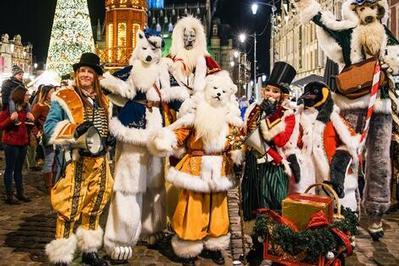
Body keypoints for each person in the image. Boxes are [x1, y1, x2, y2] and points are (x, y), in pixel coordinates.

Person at [44, 53, 114, 266]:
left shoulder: (104, 100)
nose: (85, 74)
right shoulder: (63, 96)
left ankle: (89, 250)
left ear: (95, 76)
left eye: (89, 71)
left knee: (95, 204)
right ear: (77, 74)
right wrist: (73, 130)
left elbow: (106, 127)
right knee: (69, 208)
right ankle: (62, 256)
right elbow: (48, 130)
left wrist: (110, 136)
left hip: (100, 162)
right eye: (82, 71)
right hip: (75, 161)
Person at [242, 62, 300, 220]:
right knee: (251, 204)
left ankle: (271, 241)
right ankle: (255, 239)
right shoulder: (254, 109)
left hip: (272, 165)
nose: (270, 94)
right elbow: (246, 130)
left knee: (271, 206)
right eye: (268, 89)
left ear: (283, 95)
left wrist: (271, 115)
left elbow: (281, 141)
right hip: (253, 162)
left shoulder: (288, 114)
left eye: (275, 91)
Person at [0, 86, 32, 204]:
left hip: (22, 143)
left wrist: (31, 122)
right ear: (20, 96)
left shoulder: (26, 109)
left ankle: (20, 193)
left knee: (19, 170)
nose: (28, 97)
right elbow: (1, 126)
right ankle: (9, 195)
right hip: (11, 143)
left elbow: (26, 127)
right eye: (26, 95)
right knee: (10, 169)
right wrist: (10, 119)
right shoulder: (8, 110)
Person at [31, 85, 56, 194]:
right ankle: (49, 185)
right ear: (46, 94)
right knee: (49, 160)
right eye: (51, 92)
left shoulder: (55, 104)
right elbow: (31, 121)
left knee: (57, 161)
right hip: (47, 136)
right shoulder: (39, 106)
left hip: (57, 135)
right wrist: (37, 133)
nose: (53, 93)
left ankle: (55, 183)